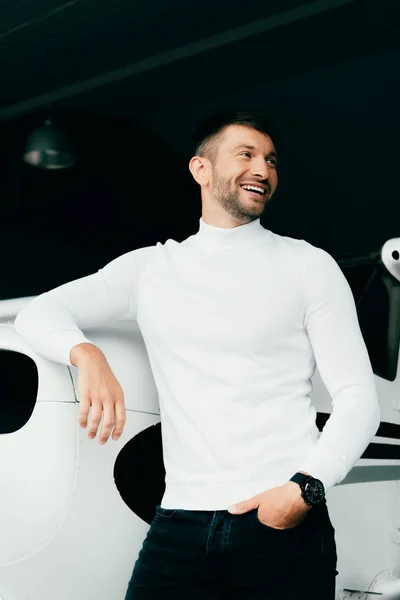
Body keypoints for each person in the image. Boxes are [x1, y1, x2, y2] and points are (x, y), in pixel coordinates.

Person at [14, 111, 381, 599]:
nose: (263, 170)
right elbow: (40, 313)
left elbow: (359, 398)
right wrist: (85, 355)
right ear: (201, 169)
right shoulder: (152, 269)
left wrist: (304, 490)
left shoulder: (308, 265)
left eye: (270, 160)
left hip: (279, 526)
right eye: (245, 154)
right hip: (178, 524)